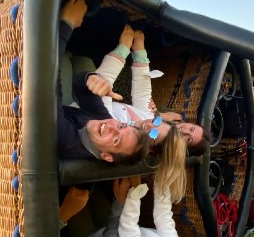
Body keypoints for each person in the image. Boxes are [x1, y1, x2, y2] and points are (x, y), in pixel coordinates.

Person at [82, 26, 210, 158]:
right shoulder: (153, 122)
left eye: (188, 139)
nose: (184, 131)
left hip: (80, 103)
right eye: (191, 129)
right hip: (86, 90)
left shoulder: (119, 134)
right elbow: (143, 95)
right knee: (83, 61)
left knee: (80, 63)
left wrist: (122, 49)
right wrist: (140, 53)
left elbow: (101, 93)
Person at [57, 0, 149, 163]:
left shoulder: (68, 141)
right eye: (122, 126)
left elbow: (45, 86)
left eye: (116, 140)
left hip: (45, 101)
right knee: (85, 63)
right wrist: (90, 80)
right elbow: (80, 84)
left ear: (106, 156)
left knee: (62, 62)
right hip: (62, 104)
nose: (113, 128)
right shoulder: (106, 123)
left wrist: (66, 23)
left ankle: (67, 55)